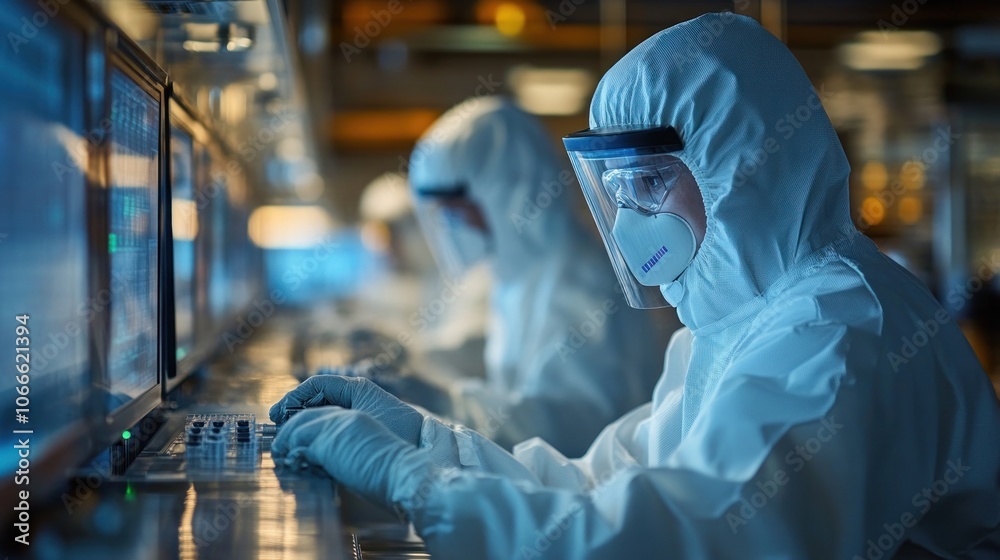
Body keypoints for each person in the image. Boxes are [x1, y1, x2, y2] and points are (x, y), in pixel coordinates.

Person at [269, 13, 1000, 558]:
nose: (629, 222)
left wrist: (417, 483)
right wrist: (428, 440)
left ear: (740, 168)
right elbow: (606, 483)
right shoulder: (729, 331)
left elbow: (687, 537)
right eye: (619, 192)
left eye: (650, 183)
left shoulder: (834, 332)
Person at [331, 96, 668, 457]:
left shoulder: (576, 281)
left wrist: (436, 399)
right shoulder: (520, 278)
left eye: (453, 211)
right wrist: (411, 365)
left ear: (507, 194)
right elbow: (503, 368)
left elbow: (568, 427)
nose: (447, 227)